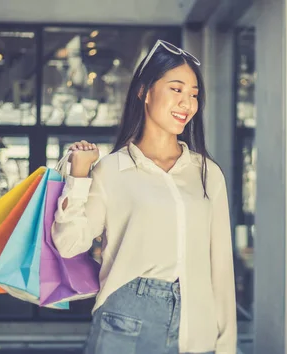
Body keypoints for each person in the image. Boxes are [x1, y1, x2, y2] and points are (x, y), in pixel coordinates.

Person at [51, 40, 236, 354]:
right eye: (176, 89)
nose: (187, 103)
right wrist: (79, 178)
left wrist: (226, 345)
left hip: (196, 326)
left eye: (193, 94)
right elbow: (70, 244)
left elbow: (221, 267)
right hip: (125, 320)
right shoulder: (112, 170)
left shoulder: (207, 174)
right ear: (144, 91)